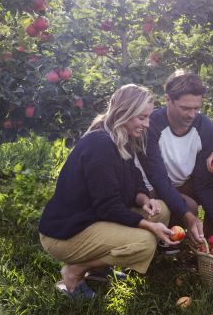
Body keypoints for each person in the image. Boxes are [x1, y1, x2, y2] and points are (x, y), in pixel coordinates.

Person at [38, 84, 177, 299]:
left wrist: (143, 200)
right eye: (142, 117)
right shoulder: (100, 145)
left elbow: (134, 178)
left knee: (161, 211)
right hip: (66, 232)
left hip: (93, 219)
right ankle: (74, 270)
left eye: (148, 117)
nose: (147, 124)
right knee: (145, 242)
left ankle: (98, 269)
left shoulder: (121, 137)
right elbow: (108, 206)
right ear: (124, 113)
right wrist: (148, 225)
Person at [137, 69, 213, 248]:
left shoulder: (205, 129)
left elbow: (204, 183)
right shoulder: (151, 126)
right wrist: (188, 215)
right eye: (185, 108)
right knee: (190, 206)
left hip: (185, 183)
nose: (192, 115)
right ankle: (169, 233)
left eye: (197, 108)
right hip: (153, 189)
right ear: (168, 100)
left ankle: (210, 237)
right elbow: (158, 179)